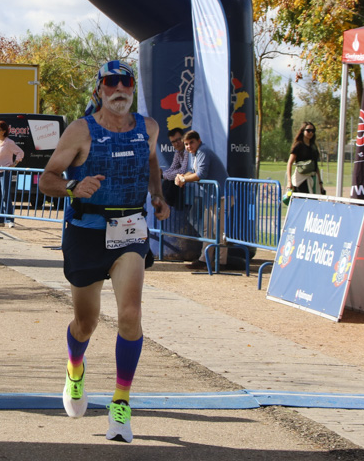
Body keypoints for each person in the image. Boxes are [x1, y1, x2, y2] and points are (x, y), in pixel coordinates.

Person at [39, 60, 169, 443]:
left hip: (130, 228)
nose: (119, 90)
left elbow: (151, 165)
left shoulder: (149, 128)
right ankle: (75, 367)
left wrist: (158, 196)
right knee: (87, 322)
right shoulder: (81, 131)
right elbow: (46, 178)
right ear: (98, 90)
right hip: (87, 231)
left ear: (133, 88)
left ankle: (121, 403)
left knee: (130, 314)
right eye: (110, 83)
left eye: (126, 83)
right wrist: (71, 188)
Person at [174, 130, 228, 268]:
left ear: (199, 141)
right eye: (186, 144)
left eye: (191, 142)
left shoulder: (203, 151)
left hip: (220, 195)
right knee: (207, 229)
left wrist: (183, 179)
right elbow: (193, 171)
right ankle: (204, 260)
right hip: (211, 196)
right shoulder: (196, 153)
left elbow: (200, 174)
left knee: (218, 230)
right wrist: (181, 176)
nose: (189, 146)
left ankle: (221, 262)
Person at [0, 120, 23, 228]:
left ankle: (9, 219)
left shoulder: (9, 142)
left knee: (5, 195)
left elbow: (20, 152)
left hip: (5, 172)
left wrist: (14, 164)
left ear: (4, 131)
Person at [286, 122, 324, 195]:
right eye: (308, 130)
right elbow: (289, 163)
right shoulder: (298, 145)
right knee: (302, 203)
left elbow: (315, 166)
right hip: (301, 180)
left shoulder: (313, 147)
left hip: (313, 179)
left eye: (313, 131)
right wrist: (289, 181)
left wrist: (320, 183)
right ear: (303, 131)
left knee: (313, 203)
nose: (311, 133)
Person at [160, 127, 188, 207]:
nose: (176, 143)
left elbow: (183, 170)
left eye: (178, 139)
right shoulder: (177, 151)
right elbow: (173, 167)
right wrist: (163, 175)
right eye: (173, 142)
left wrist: (163, 175)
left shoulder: (187, 149)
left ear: (184, 138)